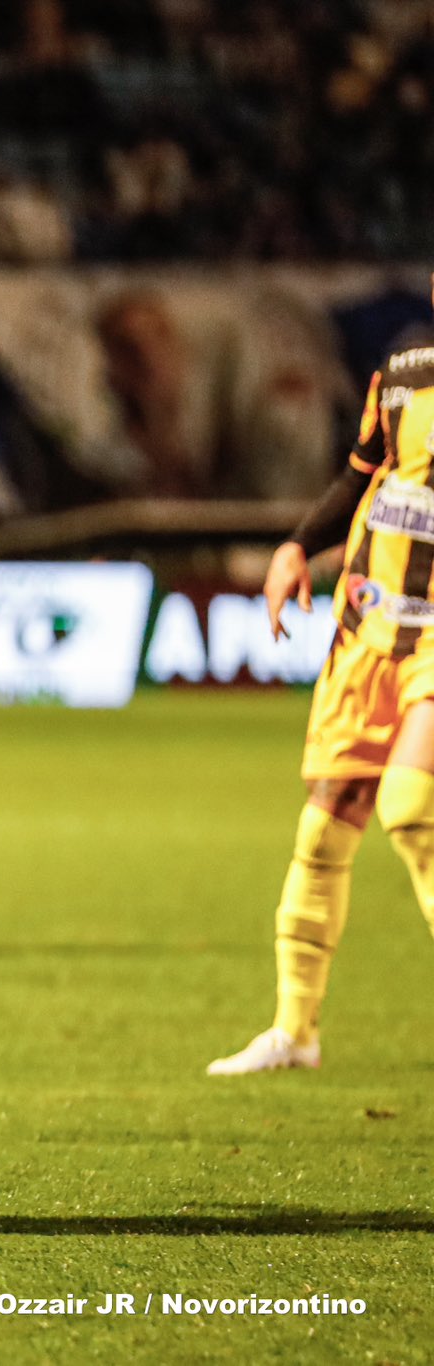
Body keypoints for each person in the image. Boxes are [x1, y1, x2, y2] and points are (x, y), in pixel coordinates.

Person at [208, 283, 434, 1076]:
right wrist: (298, 546)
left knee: (412, 809)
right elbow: (361, 475)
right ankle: (294, 1032)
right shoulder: (405, 373)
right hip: (370, 622)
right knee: (327, 822)